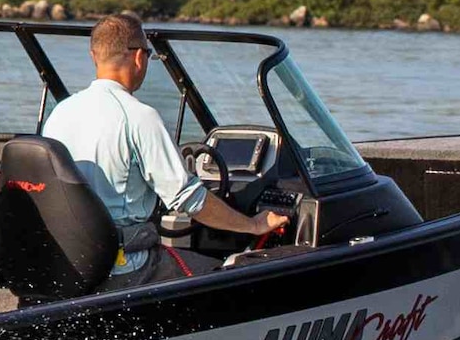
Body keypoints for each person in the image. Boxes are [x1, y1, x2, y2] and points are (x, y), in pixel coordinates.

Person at [41, 13, 292, 261]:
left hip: (72, 257)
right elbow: (190, 200)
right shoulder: (139, 116)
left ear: (94, 56)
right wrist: (253, 225)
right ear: (139, 57)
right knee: (220, 270)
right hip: (125, 265)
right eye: (149, 54)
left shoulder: (60, 112)